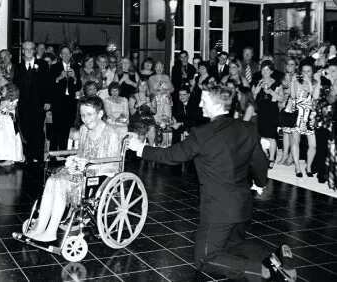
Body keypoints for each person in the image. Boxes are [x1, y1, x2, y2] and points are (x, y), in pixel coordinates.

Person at [128, 85, 295, 281]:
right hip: (242, 204)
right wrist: (259, 184)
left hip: (218, 209)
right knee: (233, 246)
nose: (199, 104)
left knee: (205, 259)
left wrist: (141, 148)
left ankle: (261, 272)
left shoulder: (203, 134)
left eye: (204, 101)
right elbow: (260, 163)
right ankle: (277, 259)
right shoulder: (247, 128)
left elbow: (171, 155)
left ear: (216, 105)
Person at [26, 96, 121, 242]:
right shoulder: (83, 130)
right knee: (52, 180)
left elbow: (114, 164)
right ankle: (41, 226)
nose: (85, 119)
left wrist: (87, 163)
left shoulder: (111, 134)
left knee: (59, 183)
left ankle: (51, 231)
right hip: (81, 172)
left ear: (100, 114)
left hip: (99, 177)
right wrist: (75, 160)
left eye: (90, 114)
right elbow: (81, 153)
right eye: (83, 115)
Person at [14, 41, 51, 163]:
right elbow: (15, 86)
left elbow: (47, 84)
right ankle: (28, 157)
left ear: (34, 50)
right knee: (25, 130)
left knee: (38, 131)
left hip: (39, 104)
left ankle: (38, 158)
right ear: (23, 51)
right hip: (23, 105)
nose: (29, 51)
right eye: (26, 49)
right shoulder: (18, 66)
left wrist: (47, 100)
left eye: (31, 49)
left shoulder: (43, 64)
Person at [283, 61, 319, 177]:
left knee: (313, 145)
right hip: (298, 114)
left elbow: (315, 97)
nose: (306, 73)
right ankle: (297, 167)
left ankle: (308, 167)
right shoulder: (297, 81)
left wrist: (309, 84)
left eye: (308, 71)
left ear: (312, 72)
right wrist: (293, 82)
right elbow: (293, 96)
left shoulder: (315, 83)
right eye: (303, 71)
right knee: (295, 141)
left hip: (309, 116)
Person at [50, 46, 81, 151]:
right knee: (56, 127)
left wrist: (75, 78)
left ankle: (63, 153)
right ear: (60, 55)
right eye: (64, 53)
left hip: (70, 101)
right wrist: (59, 77)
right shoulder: (54, 67)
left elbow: (79, 86)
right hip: (58, 101)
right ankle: (53, 153)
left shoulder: (76, 67)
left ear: (71, 55)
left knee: (67, 127)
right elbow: (50, 85)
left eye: (68, 53)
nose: (66, 55)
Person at [253, 61, 281, 167]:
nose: (265, 72)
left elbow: (281, 98)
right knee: (259, 135)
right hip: (260, 111)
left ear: (272, 71)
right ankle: (264, 155)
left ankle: (272, 159)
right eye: (263, 69)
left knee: (271, 136)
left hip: (272, 112)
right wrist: (256, 91)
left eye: (268, 70)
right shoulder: (257, 82)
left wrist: (271, 92)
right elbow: (252, 99)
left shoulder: (277, 83)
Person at [0, 83, 24, 166]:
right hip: (8, 120)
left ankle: (9, 159)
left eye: (4, 90)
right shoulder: (13, 100)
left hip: (5, 122)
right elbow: (6, 111)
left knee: (6, 140)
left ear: (9, 92)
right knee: (10, 139)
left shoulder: (6, 101)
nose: (2, 92)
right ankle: (14, 157)